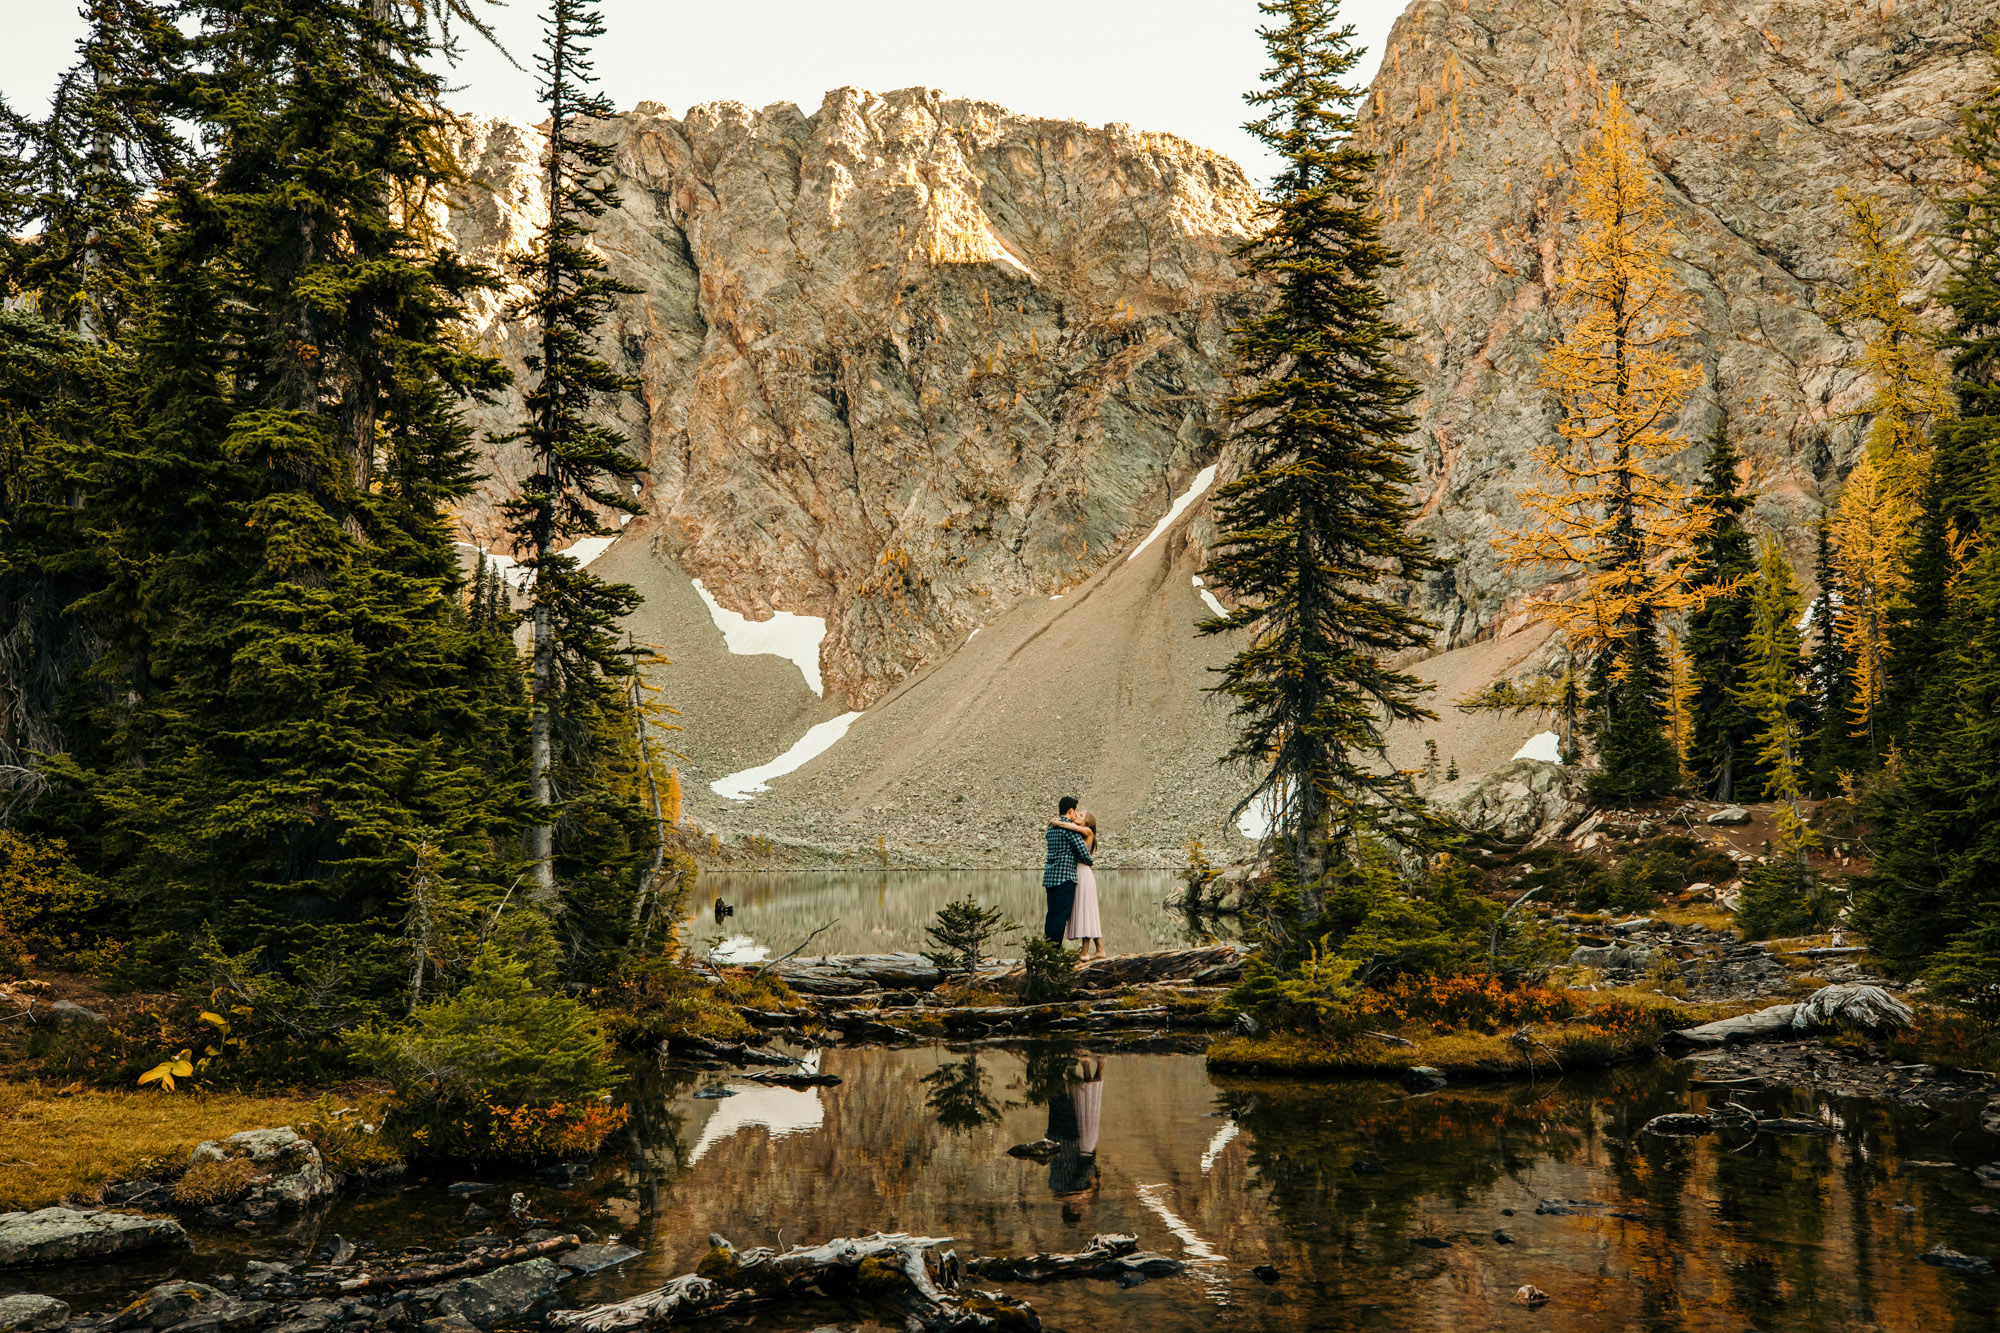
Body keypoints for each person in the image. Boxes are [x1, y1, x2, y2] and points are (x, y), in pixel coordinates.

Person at [1050, 809, 1103, 959]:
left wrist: (1057, 822)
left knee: (1085, 911)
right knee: (1088, 911)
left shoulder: (1087, 831)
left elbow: (1073, 827)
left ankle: (1084, 953)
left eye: (1081, 815)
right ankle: (1100, 949)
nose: (1077, 816)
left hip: (1083, 874)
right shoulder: (1081, 834)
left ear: (1088, 822)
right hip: (1079, 873)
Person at [1041, 795, 1093, 943]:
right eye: (1076, 811)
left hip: (1050, 877)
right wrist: (1090, 861)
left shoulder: (1051, 828)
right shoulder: (1070, 830)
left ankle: (1047, 947)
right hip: (1065, 877)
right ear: (1070, 811)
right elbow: (1083, 854)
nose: (1076, 815)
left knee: (1051, 914)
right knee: (1061, 916)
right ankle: (1056, 950)